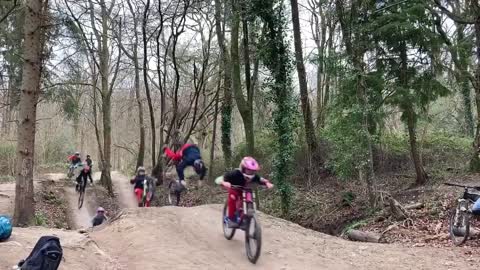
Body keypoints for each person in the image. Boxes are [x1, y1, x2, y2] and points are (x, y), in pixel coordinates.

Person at [215, 157, 274, 228]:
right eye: (248, 170)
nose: (251, 172)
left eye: (253, 171)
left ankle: (245, 217)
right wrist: (224, 182)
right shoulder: (235, 173)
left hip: (246, 191)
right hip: (235, 189)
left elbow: (261, 180)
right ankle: (231, 219)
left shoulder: (254, 177)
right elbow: (219, 179)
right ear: (243, 168)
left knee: (248, 197)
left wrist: (267, 183)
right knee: (233, 197)